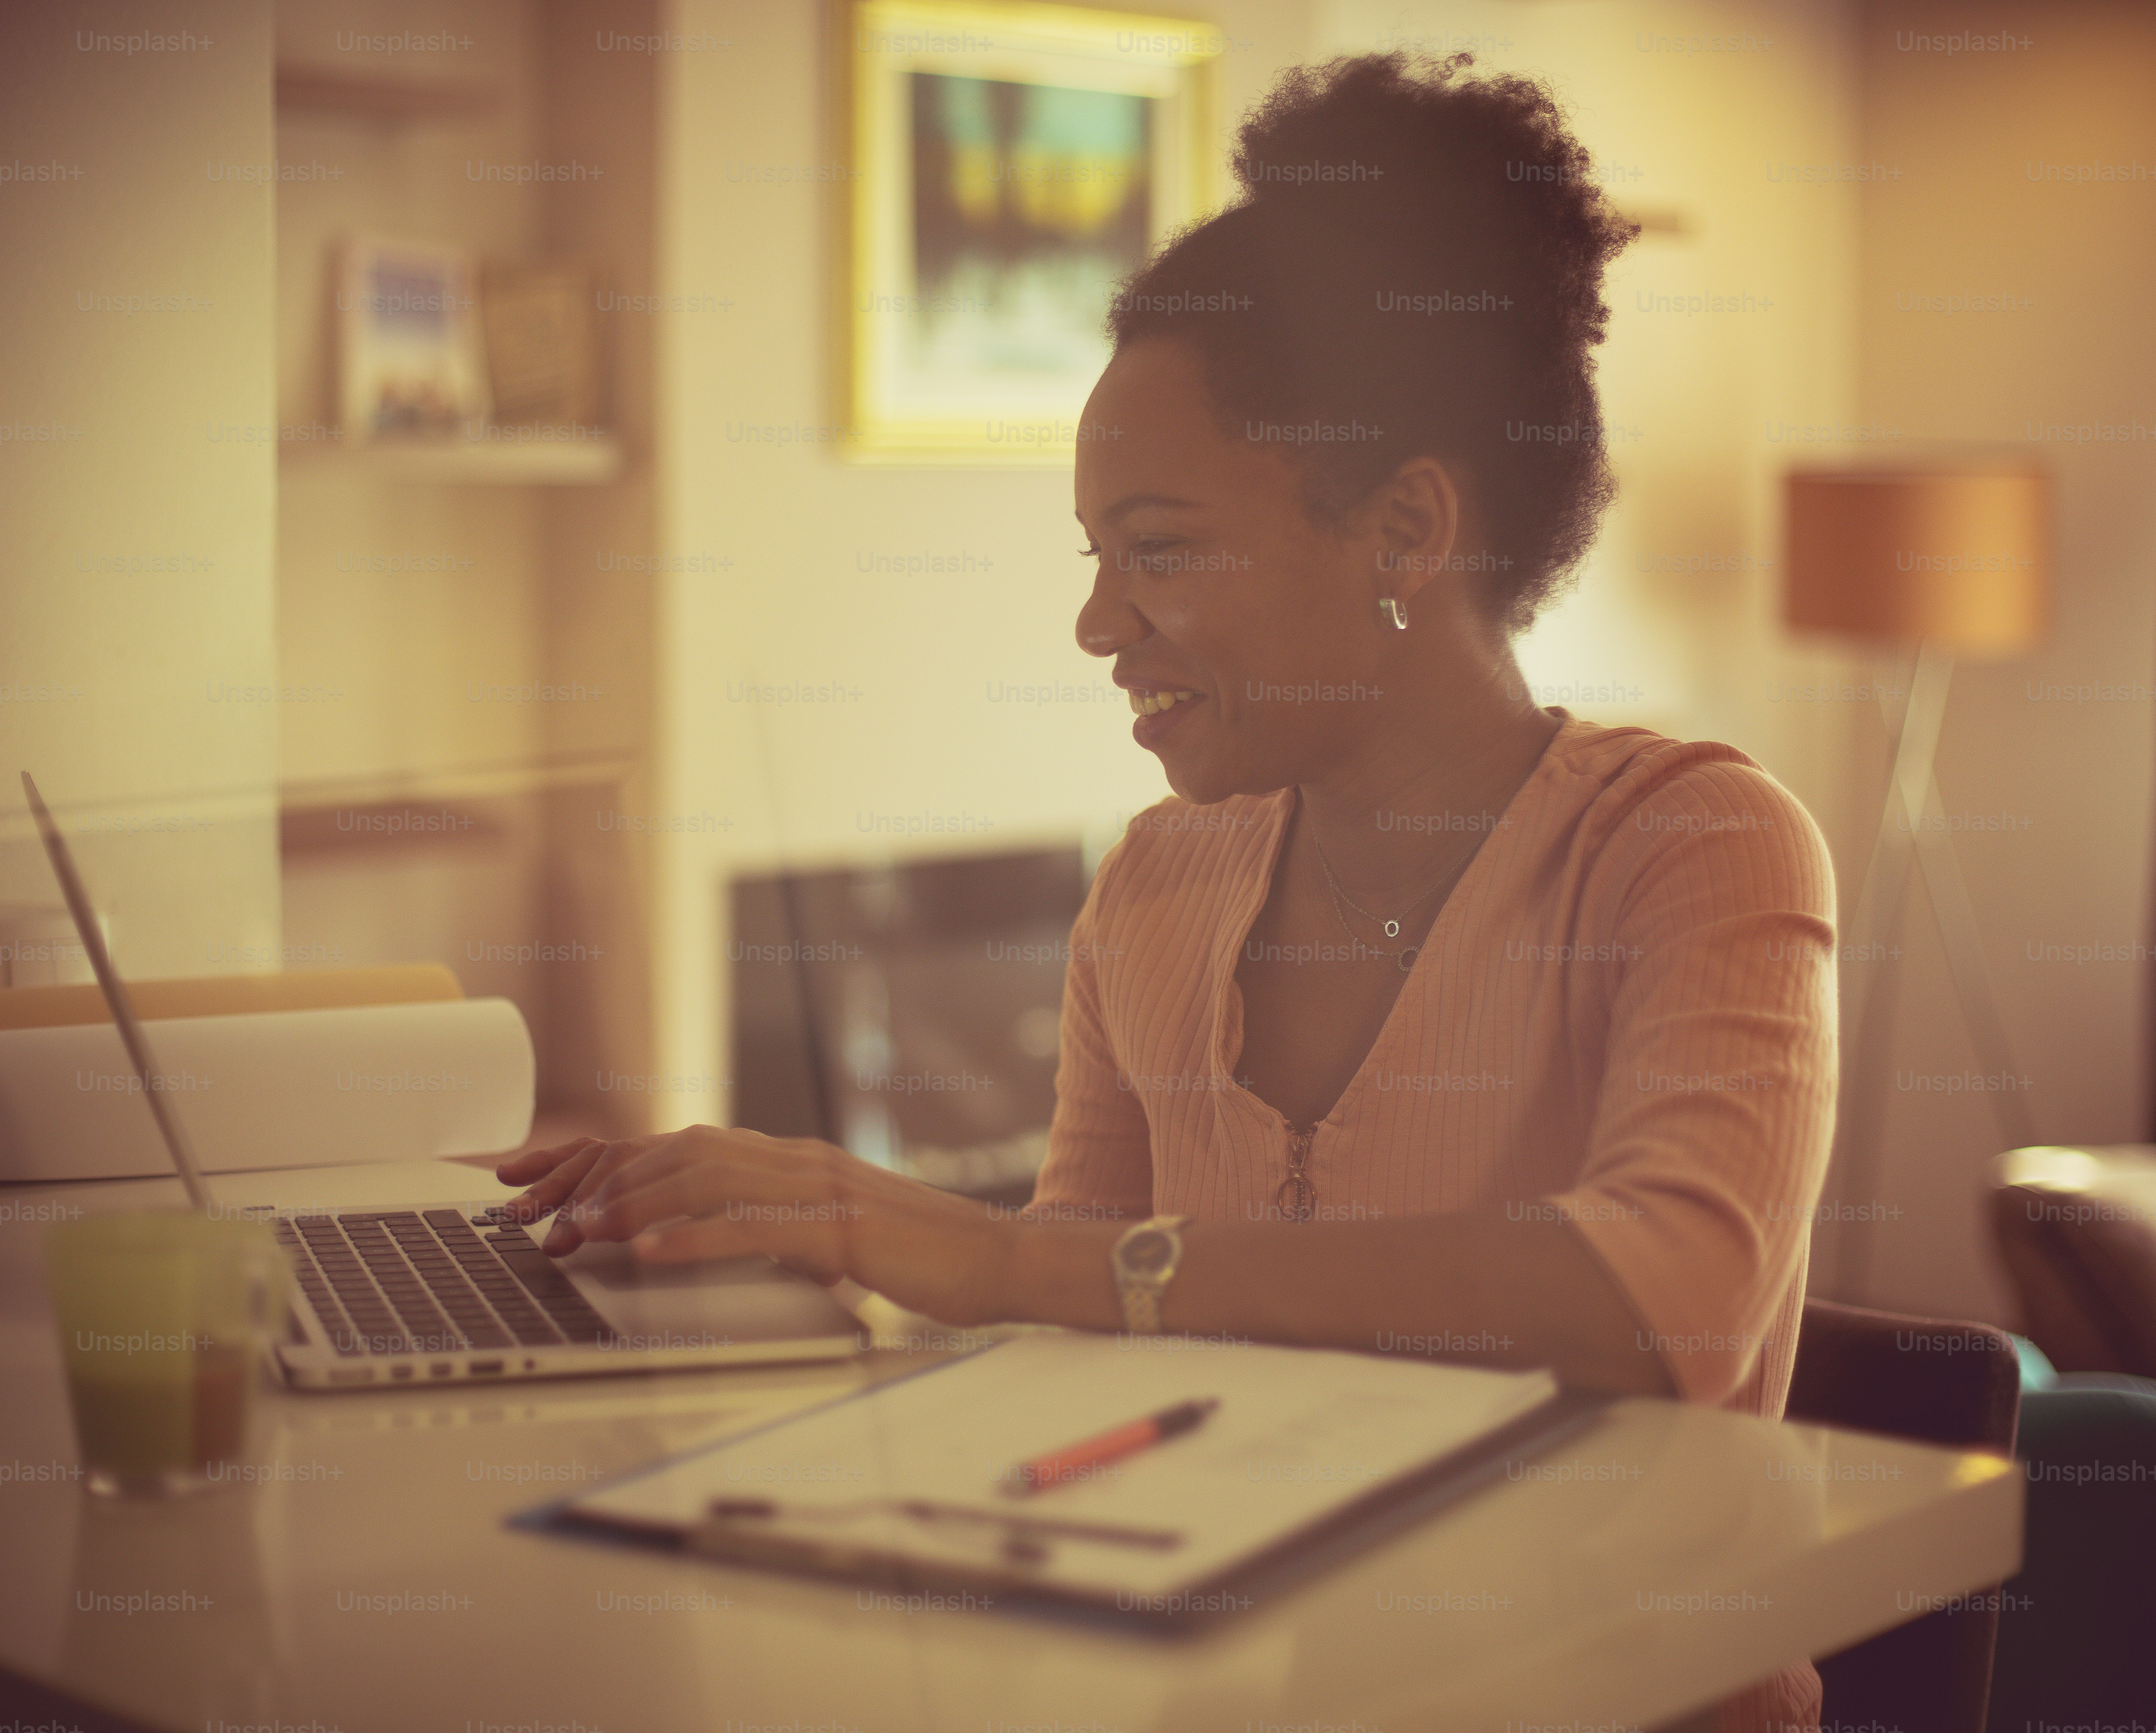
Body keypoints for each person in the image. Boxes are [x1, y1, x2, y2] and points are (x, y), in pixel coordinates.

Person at [500, 53, 1835, 1733]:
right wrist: (779, 1323)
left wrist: (989, 1254)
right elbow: (1063, 1333)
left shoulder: (1695, 846)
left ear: (1406, 530)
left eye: (1163, 547)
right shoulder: (1155, 887)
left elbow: (1668, 1308)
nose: (1097, 628)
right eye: (1095, 557)